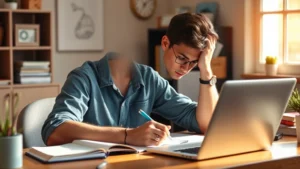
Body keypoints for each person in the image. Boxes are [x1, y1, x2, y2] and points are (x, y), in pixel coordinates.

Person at [42, 13, 219, 146]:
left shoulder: (151, 80)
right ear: (165, 43)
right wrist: (127, 135)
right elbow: (55, 130)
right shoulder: (85, 77)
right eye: (182, 58)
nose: (186, 68)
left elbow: (207, 124)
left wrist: (206, 70)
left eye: (193, 63)